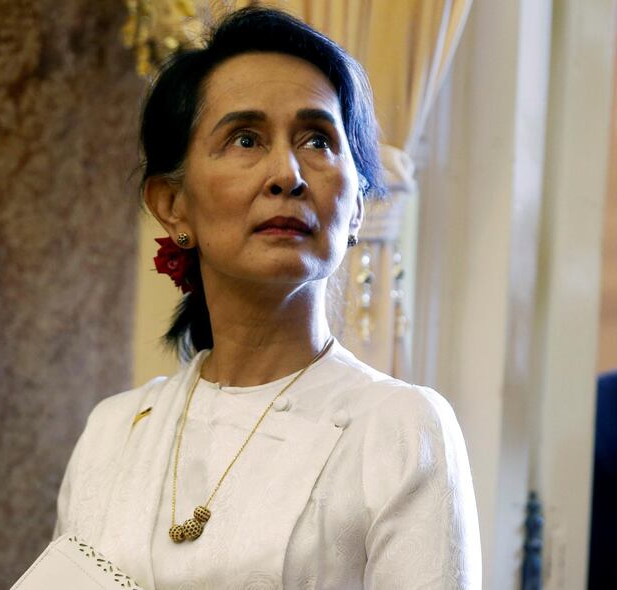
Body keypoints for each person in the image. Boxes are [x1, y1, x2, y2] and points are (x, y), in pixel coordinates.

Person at [54, 7, 481, 589]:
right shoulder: (113, 431)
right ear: (172, 205)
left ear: (357, 206)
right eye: (245, 139)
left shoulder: (399, 430)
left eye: (317, 140)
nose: (287, 173)